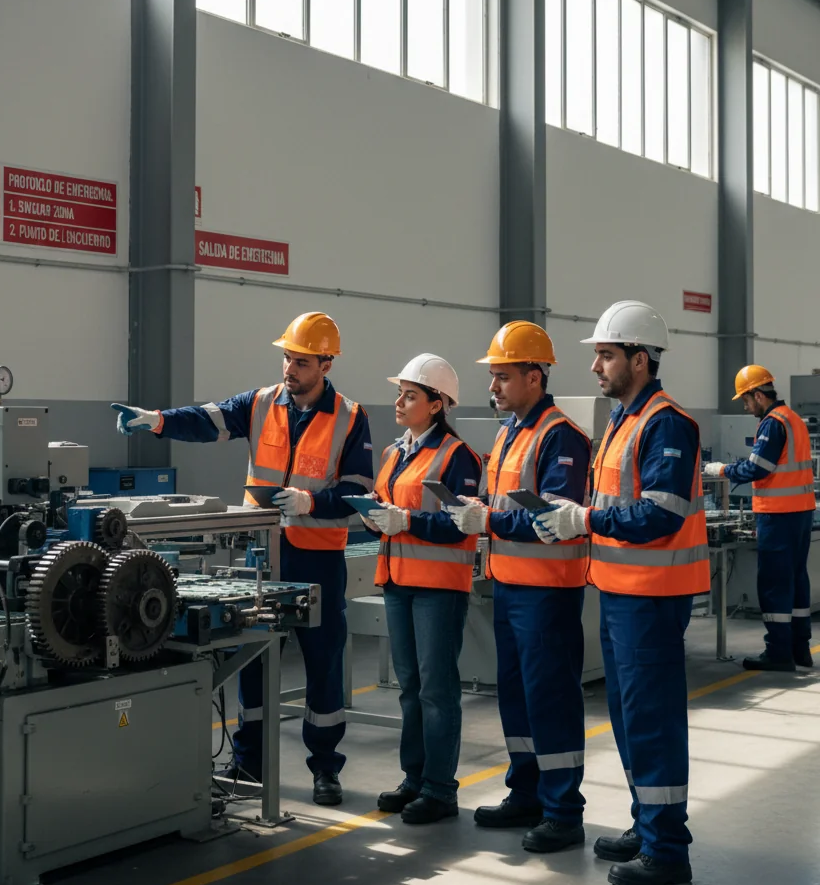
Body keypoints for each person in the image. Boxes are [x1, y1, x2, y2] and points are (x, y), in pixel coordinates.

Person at [111, 312, 373, 806]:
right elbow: (206, 420)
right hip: (261, 555)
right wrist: (157, 421)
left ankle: (325, 767)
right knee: (252, 656)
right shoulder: (259, 403)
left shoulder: (351, 417)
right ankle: (249, 758)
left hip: (317, 559)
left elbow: (360, 490)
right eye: (286, 358)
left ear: (326, 363)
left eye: (300, 361)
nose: (289, 369)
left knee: (323, 664)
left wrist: (311, 502)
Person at [531, 301, 709, 885]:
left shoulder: (666, 422)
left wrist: (583, 521)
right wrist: (575, 514)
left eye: (606, 355)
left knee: (651, 721)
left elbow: (661, 514)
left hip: (652, 596)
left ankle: (667, 851)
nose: (596, 367)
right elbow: (613, 503)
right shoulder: (623, 420)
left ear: (640, 358)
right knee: (632, 720)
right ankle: (647, 825)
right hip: (619, 590)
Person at [449, 322, 591, 853]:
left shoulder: (561, 436)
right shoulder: (510, 432)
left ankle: (563, 810)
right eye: (493, 378)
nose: (494, 388)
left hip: (547, 592)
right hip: (511, 585)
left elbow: (548, 517)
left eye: (503, 377)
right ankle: (527, 791)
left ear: (535, 377)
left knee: (550, 698)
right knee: (517, 695)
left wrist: (483, 520)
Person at [367, 355, 482, 825]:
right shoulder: (397, 452)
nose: (399, 401)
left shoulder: (459, 457)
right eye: (401, 393)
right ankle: (414, 778)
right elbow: (386, 504)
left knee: (437, 689)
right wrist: (375, 513)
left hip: (437, 588)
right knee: (410, 687)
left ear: (437, 404)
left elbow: (461, 525)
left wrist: (406, 520)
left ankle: (440, 789)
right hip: (398, 581)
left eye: (411, 395)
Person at [704, 365, 815, 671]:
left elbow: (757, 468)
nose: (745, 406)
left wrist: (720, 470)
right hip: (802, 512)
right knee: (795, 579)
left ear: (758, 394)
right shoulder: (793, 420)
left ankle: (779, 653)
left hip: (779, 516)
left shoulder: (771, 424)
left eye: (745, 399)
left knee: (774, 582)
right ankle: (799, 649)